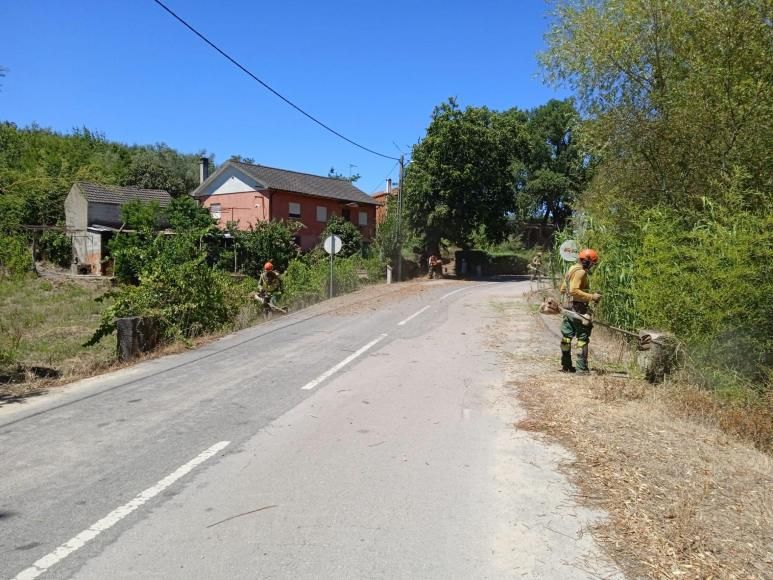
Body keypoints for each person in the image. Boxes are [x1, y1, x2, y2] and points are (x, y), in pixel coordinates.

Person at [559, 248, 602, 373]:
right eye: (592, 264)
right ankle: (581, 368)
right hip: (579, 309)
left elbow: (563, 289)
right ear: (587, 262)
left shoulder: (571, 269)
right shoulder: (581, 273)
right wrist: (591, 297)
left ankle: (566, 365)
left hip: (568, 308)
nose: (592, 266)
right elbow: (574, 291)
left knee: (567, 336)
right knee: (582, 337)